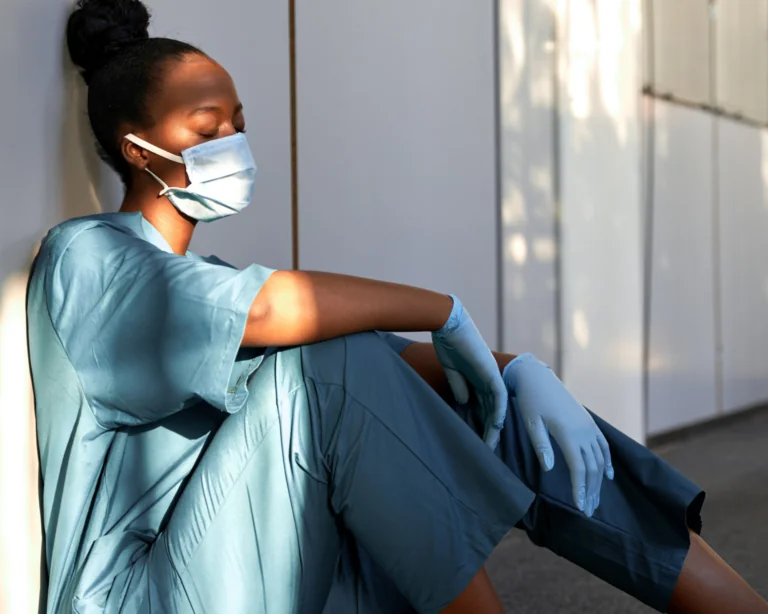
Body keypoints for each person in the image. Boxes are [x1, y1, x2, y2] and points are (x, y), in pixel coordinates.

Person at [26, 0, 767, 612]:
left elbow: (388, 367)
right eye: (205, 128)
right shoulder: (89, 256)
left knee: (497, 405)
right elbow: (277, 317)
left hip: (264, 561)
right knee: (330, 364)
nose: (232, 142)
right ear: (136, 147)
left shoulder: (207, 277)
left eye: (238, 124)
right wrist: (443, 310)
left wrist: (516, 371)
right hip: (144, 592)